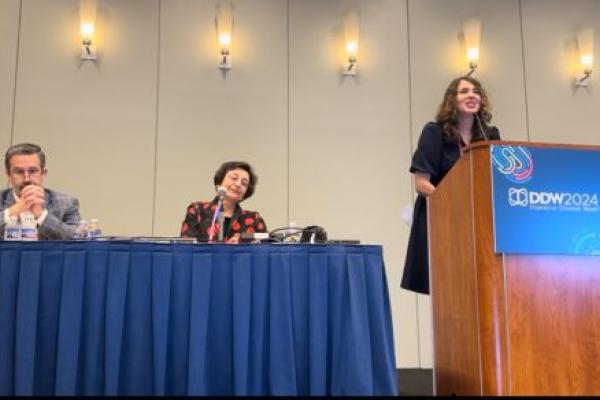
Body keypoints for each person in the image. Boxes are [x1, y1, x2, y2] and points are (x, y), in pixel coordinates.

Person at [401, 76, 501, 295]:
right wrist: (452, 201)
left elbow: (496, 179)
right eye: (464, 91)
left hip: (477, 221)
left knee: (478, 287)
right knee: (448, 288)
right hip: (443, 219)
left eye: (476, 91)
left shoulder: (489, 135)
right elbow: (421, 183)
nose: (472, 95)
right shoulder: (434, 132)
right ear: (451, 100)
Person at [0, 143, 81, 240]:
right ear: (9, 175)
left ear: (43, 173)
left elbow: (77, 241)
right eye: (19, 172)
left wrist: (41, 215)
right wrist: (12, 212)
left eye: (33, 171)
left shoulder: (66, 203)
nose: (26, 179)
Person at [180, 161, 267, 243]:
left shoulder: (253, 219)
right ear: (219, 183)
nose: (238, 184)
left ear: (244, 194)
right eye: (234, 178)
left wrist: (242, 238)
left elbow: (268, 240)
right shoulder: (198, 210)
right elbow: (186, 246)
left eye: (244, 183)